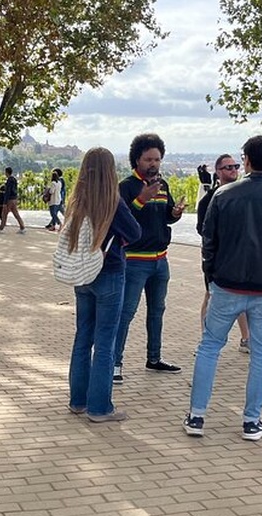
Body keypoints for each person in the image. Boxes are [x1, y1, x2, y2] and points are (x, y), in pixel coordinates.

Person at [184, 135, 262, 440]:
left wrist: (211, 278)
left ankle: (196, 416)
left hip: (227, 284)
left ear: (246, 160)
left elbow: (209, 242)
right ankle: (252, 420)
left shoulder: (224, 195)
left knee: (209, 347)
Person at [66, 147, 142, 423]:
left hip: (82, 274)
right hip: (109, 273)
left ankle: (78, 401)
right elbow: (135, 232)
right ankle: (100, 408)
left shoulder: (77, 200)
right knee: (106, 342)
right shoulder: (113, 201)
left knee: (82, 338)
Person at [112, 133, 185, 384]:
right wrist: (141, 199)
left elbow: (166, 217)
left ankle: (154, 358)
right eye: (148, 159)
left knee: (157, 311)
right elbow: (122, 219)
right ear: (137, 160)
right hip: (134, 261)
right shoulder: (126, 186)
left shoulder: (163, 185)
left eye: (157, 159)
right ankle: (114, 363)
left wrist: (175, 213)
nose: (153, 164)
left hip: (160, 261)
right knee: (126, 312)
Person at [195, 154, 250, 352]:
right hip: (216, 258)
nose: (233, 170)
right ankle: (206, 337)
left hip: (240, 257)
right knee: (211, 295)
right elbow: (202, 229)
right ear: (218, 172)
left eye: (236, 166)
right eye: (228, 167)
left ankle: (246, 338)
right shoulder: (209, 200)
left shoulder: (244, 195)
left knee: (242, 297)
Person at [0, 167, 26, 234]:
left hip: (9, 200)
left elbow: (8, 192)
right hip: (14, 198)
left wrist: (5, 202)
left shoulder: (9, 180)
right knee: (16, 214)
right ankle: (22, 227)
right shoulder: (14, 179)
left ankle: (1, 228)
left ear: (6, 172)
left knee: (4, 214)